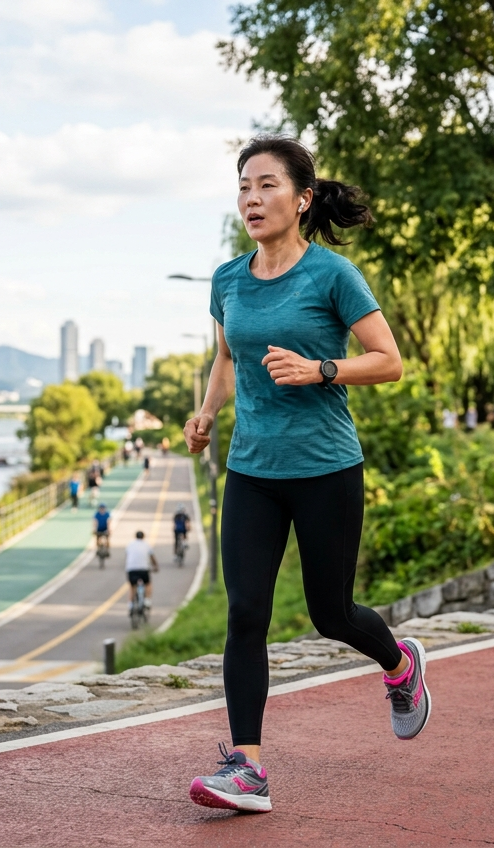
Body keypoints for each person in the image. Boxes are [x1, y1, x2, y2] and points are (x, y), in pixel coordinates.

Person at [182, 134, 429, 814]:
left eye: (266, 186)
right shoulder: (227, 279)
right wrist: (205, 414)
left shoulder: (332, 276)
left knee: (331, 612)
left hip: (325, 468)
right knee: (245, 612)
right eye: (243, 187)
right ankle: (248, 769)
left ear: (303, 198)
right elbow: (227, 359)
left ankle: (399, 663)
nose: (252, 199)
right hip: (252, 471)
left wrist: (321, 368)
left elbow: (389, 360)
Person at [123, 529, 158, 609]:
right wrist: (155, 566)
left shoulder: (130, 545)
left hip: (131, 569)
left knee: (132, 586)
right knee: (148, 584)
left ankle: (130, 604)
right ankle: (147, 600)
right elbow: (152, 558)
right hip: (144, 569)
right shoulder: (146, 545)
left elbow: (127, 556)